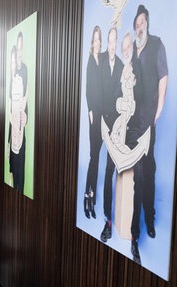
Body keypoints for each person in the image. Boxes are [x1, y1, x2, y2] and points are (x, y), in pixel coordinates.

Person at [130, 4, 168, 263]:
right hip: (133, 123)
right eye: (136, 23)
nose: (139, 26)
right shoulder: (131, 50)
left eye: (142, 21)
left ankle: (149, 218)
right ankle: (134, 233)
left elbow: (163, 77)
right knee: (138, 175)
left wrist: (158, 111)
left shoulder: (156, 44)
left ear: (148, 24)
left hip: (149, 122)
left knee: (149, 171)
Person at [100, 27, 123, 243]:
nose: (113, 44)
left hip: (121, 130)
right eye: (111, 40)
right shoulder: (101, 66)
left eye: (115, 40)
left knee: (121, 174)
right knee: (108, 173)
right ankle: (108, 220)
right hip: (106, 127)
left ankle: (123, 221)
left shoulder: (123, 68)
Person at [82, 25, 103, 219]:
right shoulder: (90, 61)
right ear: (91, 42)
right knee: (93, 157)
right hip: (93, 116)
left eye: (99, 40)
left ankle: (91, 198)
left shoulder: (102, 59)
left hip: (103, 116)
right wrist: (90, 113)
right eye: (94, 40)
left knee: (96, 158)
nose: (97, 43)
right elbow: (89, 90)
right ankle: (87, 197)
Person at [7, 44, 27, 193]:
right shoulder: (10, 83)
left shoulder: (21, 80)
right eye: (11, 62)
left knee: (19, 174)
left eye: (15, 62)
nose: (14, 65)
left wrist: (25, 117)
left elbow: (25, 104)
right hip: (11, 135)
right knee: (12, 172)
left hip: (20, 135)